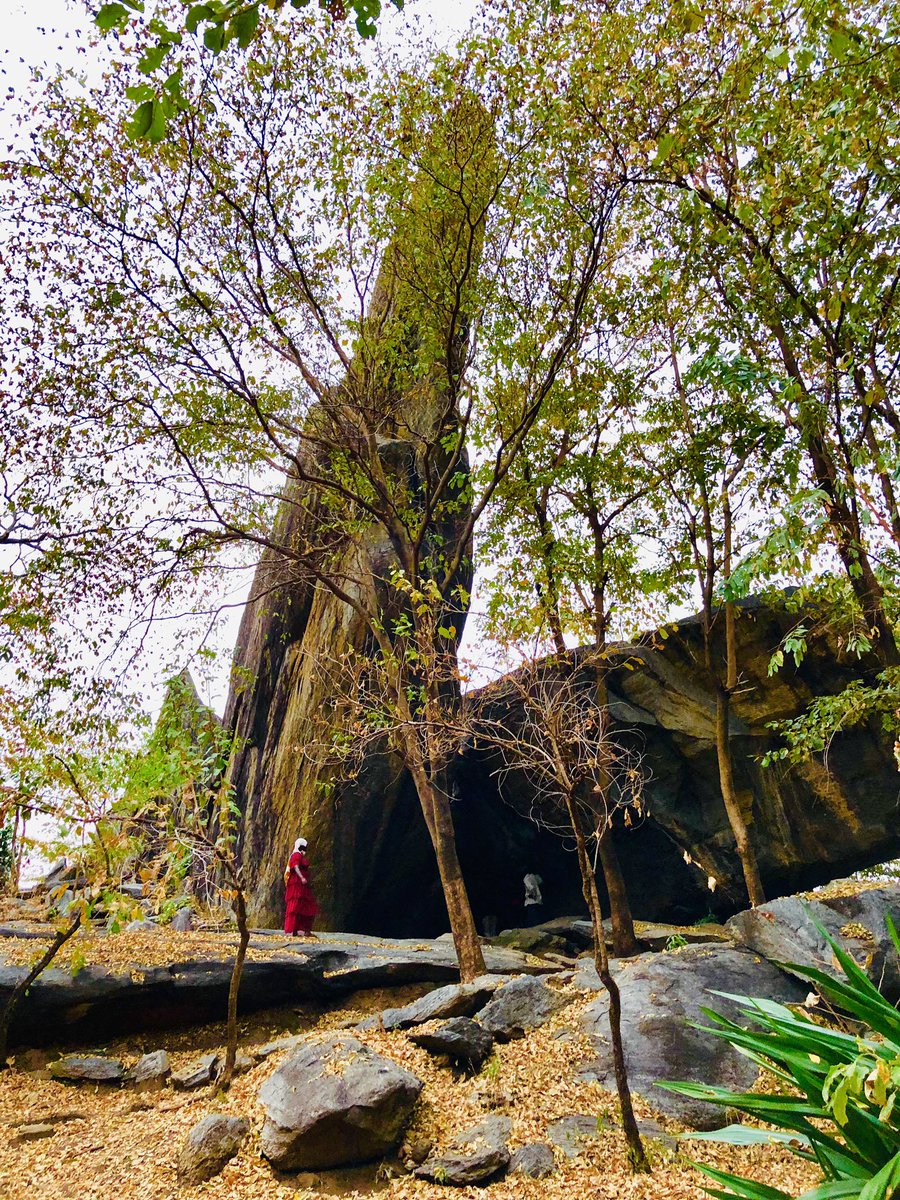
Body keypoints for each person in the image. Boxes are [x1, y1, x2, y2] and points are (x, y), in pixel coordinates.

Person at [284, 837, 319, 937]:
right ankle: (294, 930)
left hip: (302, 886)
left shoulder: (299, 856)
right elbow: (295, 866)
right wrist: (302, 877)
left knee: (304, 907)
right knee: (296, 906)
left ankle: (302, 929)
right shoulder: (296, 855)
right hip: (297, 885)